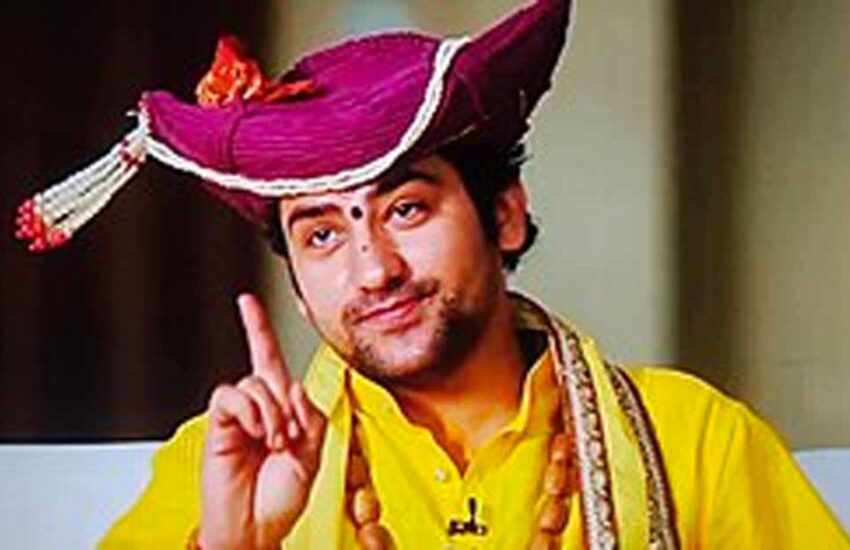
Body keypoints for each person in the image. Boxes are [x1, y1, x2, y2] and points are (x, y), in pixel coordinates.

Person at [15, 1, 849, 548]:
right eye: (322, 235)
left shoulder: (695, 442)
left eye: (407, 209)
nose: (372, 269)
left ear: (505, 215)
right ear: (297, 288)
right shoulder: (219, 468)